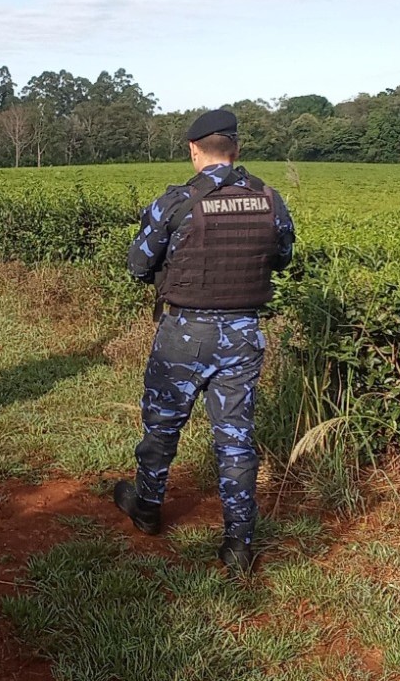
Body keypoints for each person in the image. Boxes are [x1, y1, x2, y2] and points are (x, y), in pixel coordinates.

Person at [112, 108, 296, 575]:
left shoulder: (174, 203)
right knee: (235, 438)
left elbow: (137, 265)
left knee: (162, 425)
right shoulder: (269, 199)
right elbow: (283, 258)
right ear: (237, 150)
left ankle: (148, 507)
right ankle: (238, 543)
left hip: (184, 334)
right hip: (243, 333)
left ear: (194, 150)